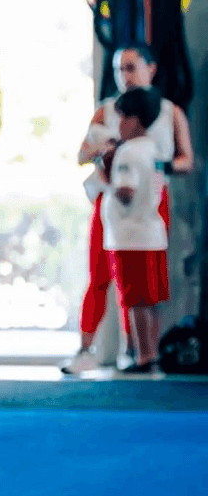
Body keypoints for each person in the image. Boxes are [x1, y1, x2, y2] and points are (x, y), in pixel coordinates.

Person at [65, 44, 193, 375]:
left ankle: (140, 351)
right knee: (103, 275)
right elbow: (83, 153)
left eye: (131, 67)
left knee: (143, 288)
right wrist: (107, 154)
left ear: (151, 69)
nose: (125, 76)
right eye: (119, 69)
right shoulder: (108, 111)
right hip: (113, 208)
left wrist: (153, 165)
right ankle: (88, 348)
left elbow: (186, 159)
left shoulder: (169, 112)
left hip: (148, 204)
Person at [101, 87, 170, 374]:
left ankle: (144, 355)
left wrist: (104, 172)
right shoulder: (155, 150)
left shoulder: (128, 153)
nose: (118, 125)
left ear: (135, 119)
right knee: (151, 299)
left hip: (130, 237)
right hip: (153, 233)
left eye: (122, 118)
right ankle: (152, 351)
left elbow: (126, 192)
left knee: (137, 300)